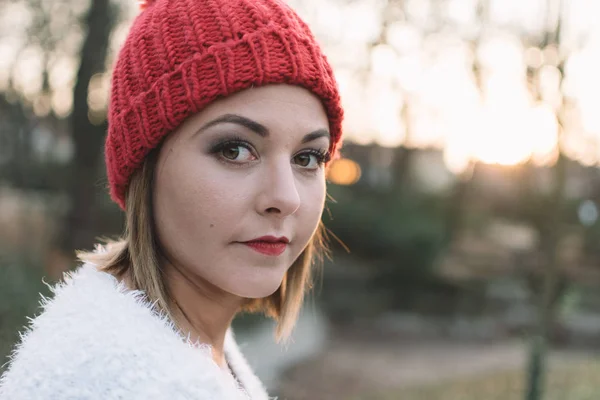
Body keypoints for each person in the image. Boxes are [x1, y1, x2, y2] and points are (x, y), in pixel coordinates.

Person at [0, 0, 344, 398]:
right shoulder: (143, 384)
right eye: (234, 150)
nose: (286, 198)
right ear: (143, 168)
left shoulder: (159, 348)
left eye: (307, 158)